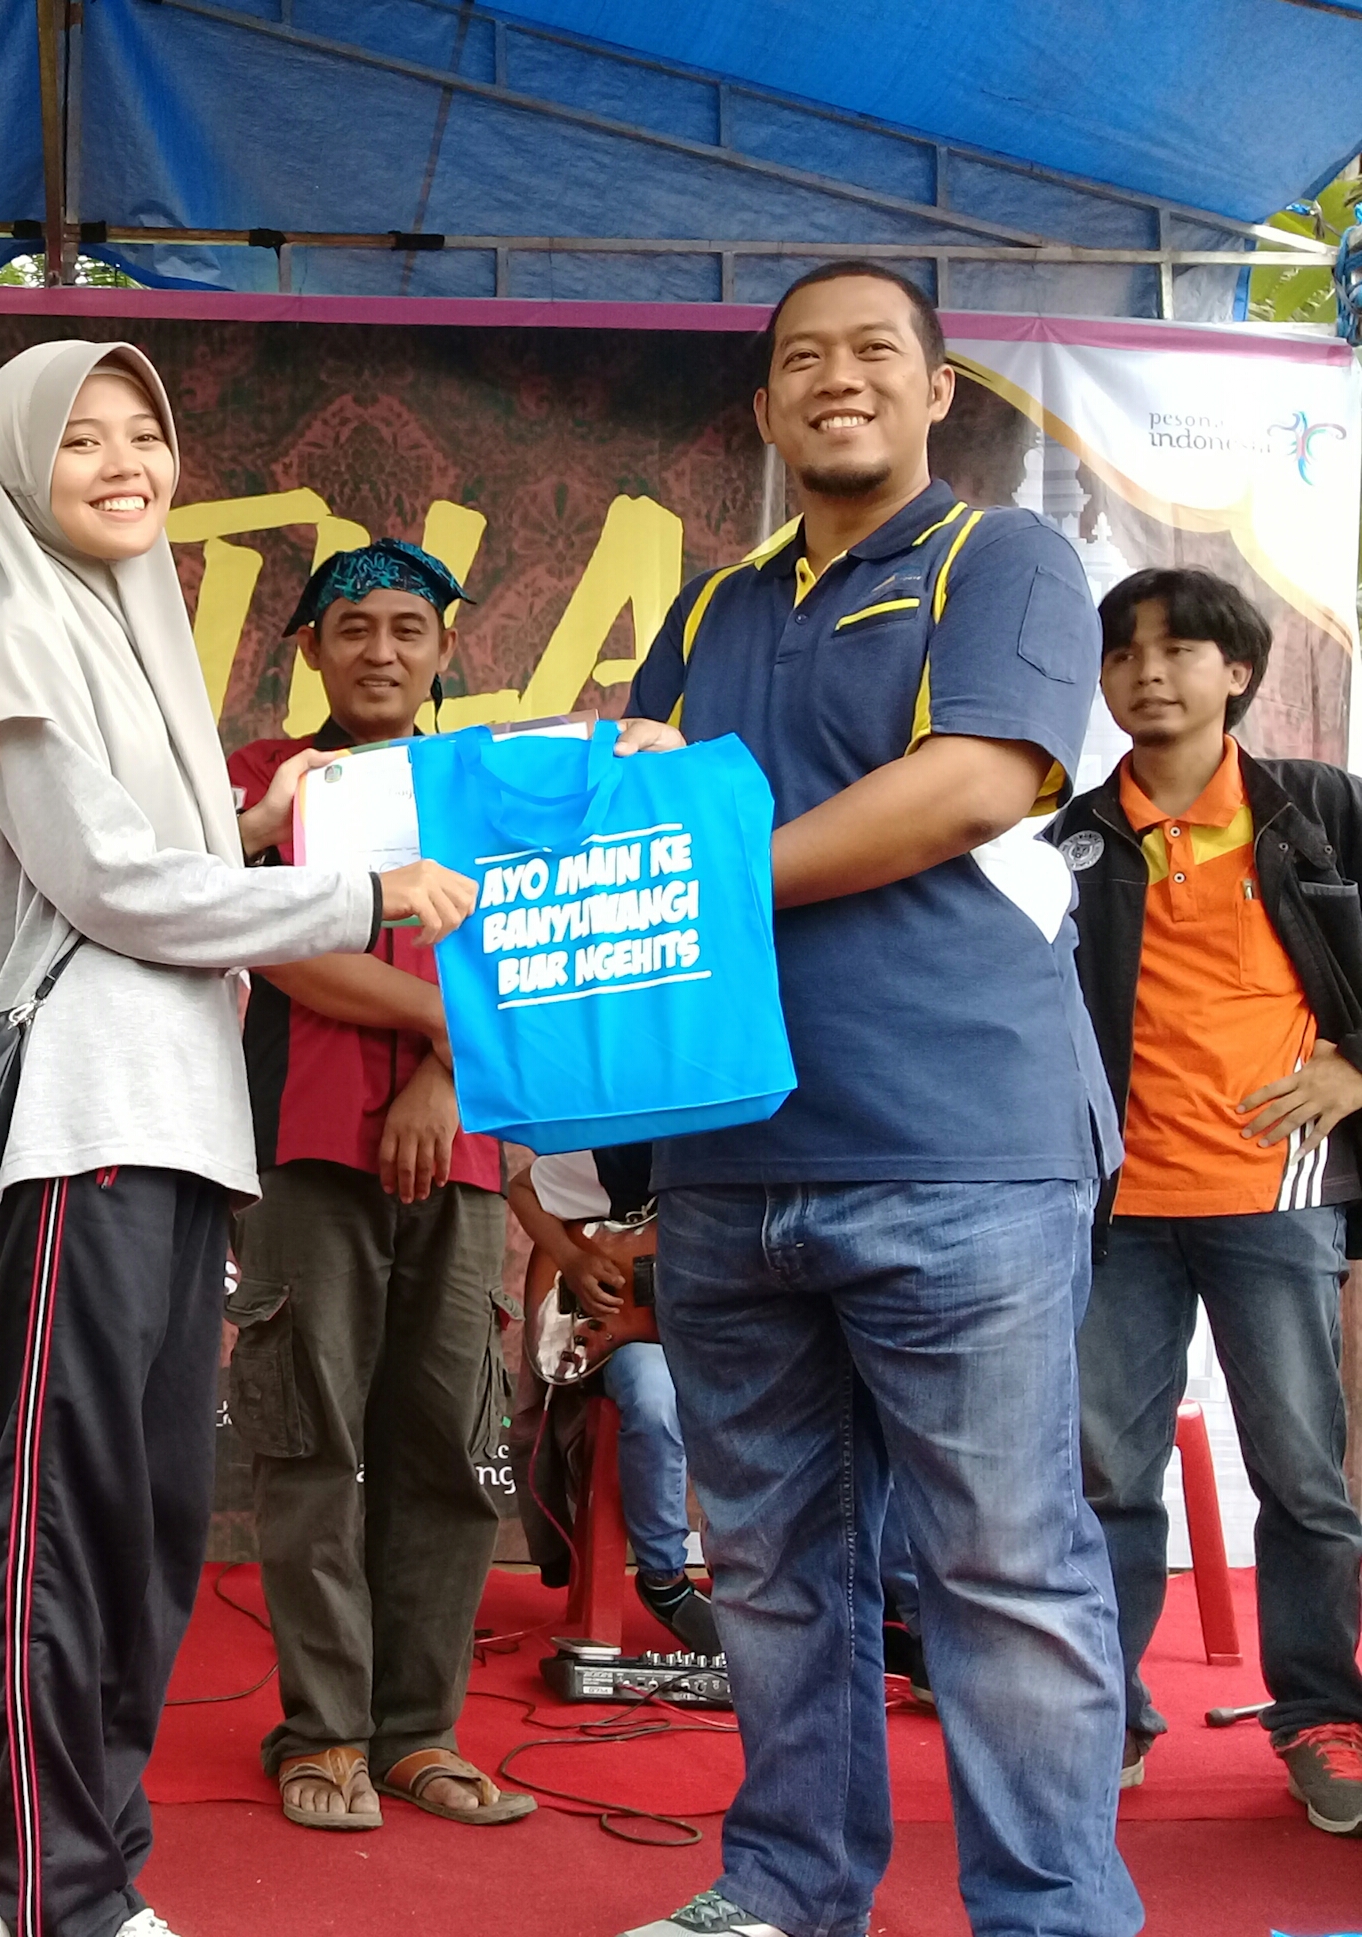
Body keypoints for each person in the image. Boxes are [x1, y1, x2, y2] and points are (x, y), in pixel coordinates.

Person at [614, 263, 1137, 1937]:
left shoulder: (1004, 558)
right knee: (771, 1567)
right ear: (764, 407)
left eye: (872, 352)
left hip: (955, 1145)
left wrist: (712, 873)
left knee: (998, 1566)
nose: (835, 378)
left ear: (933, 390)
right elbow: (628, 832)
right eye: (799, 360)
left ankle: (1050, 1914)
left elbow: (971, 782)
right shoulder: (709, 608)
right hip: (725, 1156)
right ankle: (784, 1886)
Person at [0, 340, 475, 1937]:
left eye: (144, 433)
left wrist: (249, 825)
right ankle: (48, 1898)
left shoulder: (135, 631)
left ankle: (99, 1879)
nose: (124, 463)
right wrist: (352, 891)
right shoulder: (22, 636)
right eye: (80, 438)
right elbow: (111, 890)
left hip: (180, 1136)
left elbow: (151, 858)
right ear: (18, 467)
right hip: (81, 1128)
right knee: (58, 1530)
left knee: (153, 1534)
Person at [1044, 567, 1362, 1834]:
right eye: (1121, 652)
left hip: (1270, 1191)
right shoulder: (1066, 837)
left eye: (1177, 649)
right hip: (1113, 1204)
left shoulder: (1317, 810)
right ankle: (1106, 1713)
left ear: (1236, 671)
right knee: (1103, 1477)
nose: (1146, 673)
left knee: (1302, 1474)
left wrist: (1354, 1064)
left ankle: (1320, 1712)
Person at [224, 539, 531, 1834]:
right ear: (310, 651)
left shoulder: (492, 788)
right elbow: (282, 942)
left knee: (447, 1448)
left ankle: (417, 1732)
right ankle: (324, 1730)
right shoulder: (266, 780)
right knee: (312, 1446)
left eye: (408, 627)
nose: (381, 650)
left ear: (445, 648)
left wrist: (444, 1080)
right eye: (351, 628)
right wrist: (442, 1026)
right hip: (302, 1146)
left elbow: (534, 951)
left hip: (463, 1154)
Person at [507, 1146, 718, 1656]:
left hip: (715, 1336)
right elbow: (523, 1188)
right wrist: (573, 1259)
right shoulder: (629, 1153)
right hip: (635, 1338)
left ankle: (760, 1582)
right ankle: (664, 1578)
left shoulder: (751, 1164)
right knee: (653, 1397)